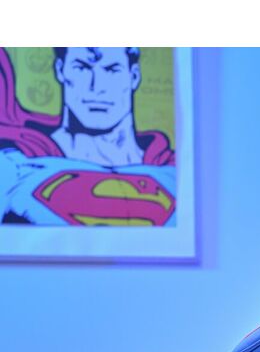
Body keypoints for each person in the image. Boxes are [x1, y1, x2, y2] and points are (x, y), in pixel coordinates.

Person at [0, 47, 176, 226]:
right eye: (82, 68)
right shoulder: (15, 165)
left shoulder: (175, 172)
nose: (97, 87)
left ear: (134, 76)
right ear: (60, 70)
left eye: (112, 70)